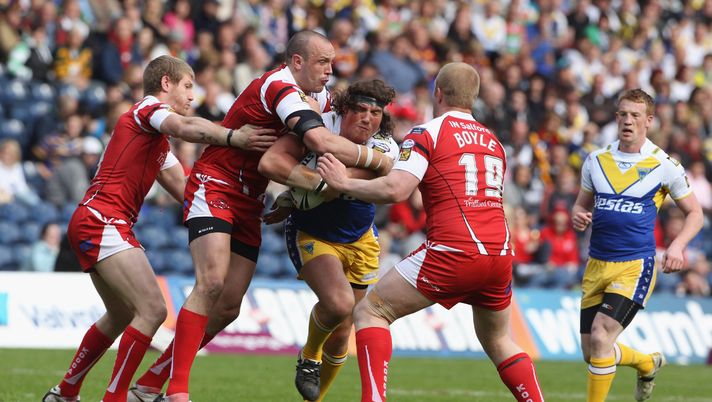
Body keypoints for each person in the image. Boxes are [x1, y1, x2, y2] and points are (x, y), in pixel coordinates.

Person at [129, 31, 393, 402]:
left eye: (332, 62)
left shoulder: (323, 98)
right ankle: (177, 391)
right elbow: (318, 143)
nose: (330, 70)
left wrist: (294, 190)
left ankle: (150, 383)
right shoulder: (279, 86)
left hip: (250, 198)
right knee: (212, 283)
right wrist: (380, 162)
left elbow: (323, 141)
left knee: (229, 307)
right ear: (297, 62)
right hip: (217, 183)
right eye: (322, 62)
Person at [42, 55, 276, 402]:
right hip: (102, 220)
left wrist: (237, 199)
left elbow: (188, 190)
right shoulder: (146, 109)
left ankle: (65, 391)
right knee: (152, 310)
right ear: (166, 83)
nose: (191, 96)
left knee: (121, 313)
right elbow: (185, 128)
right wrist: (233, 137)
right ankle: (115, 397)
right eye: (187, 86)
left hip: (97, 221)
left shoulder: (157, 144)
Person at [317, 62, 545, 402]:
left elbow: (397, 189)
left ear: (437, 93)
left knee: (371, 311)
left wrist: (342, 182)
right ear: (474, 97)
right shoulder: (493, 141)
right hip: (499, 254)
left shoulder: (427, 133)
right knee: (499, 341)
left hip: (454, 250)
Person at [260, 78, 398, 401]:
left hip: (361, 238)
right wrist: (303, 194)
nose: (367, 118)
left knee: (341, 336)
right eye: (361, 109)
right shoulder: (320, 126)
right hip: (313, 233)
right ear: (344, 109)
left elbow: (343, 181)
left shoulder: (386, 144)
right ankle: (309, 357)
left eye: (375, 113)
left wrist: (299, 192)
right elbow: (274, 164)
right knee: (338, 303)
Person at [571, 88, 703, 402]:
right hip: (596, 264)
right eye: (622, 114)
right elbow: (579, 205)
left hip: (635, 264)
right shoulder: (596, 160)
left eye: (635, 115)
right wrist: (578, 216)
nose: (627, 121)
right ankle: (647, 363)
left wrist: (677, 246)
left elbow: (695, 213)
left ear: (649, 121)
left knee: (603, 334)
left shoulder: (664, 164)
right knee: (592, 352)